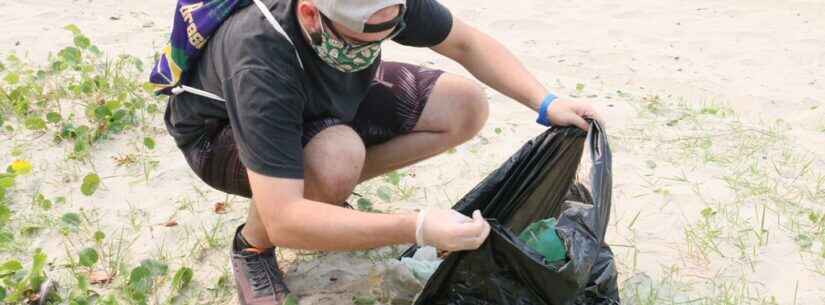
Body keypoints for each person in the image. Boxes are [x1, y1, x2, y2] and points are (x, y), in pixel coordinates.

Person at [163, 0, 601, 303]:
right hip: (219, 131)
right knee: (336, 160)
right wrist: (419, 227)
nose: (371, 48)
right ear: (311, 14)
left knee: (465, 106)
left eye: (383, 36)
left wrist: (548, 103)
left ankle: (322, 201)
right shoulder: (259, 53)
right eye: (360, 40)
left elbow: (464, 42)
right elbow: (284, 219)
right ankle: (251, 247)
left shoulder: (375, 7)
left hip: (323, 92)